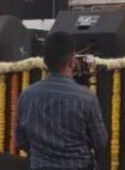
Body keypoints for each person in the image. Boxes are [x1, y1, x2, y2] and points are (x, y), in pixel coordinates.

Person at [16, 31, 107, 170]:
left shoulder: (27, 96)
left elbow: (21, 141)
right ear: (72, 62)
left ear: (45, 62)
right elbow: (100, 142)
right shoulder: (87, 98)